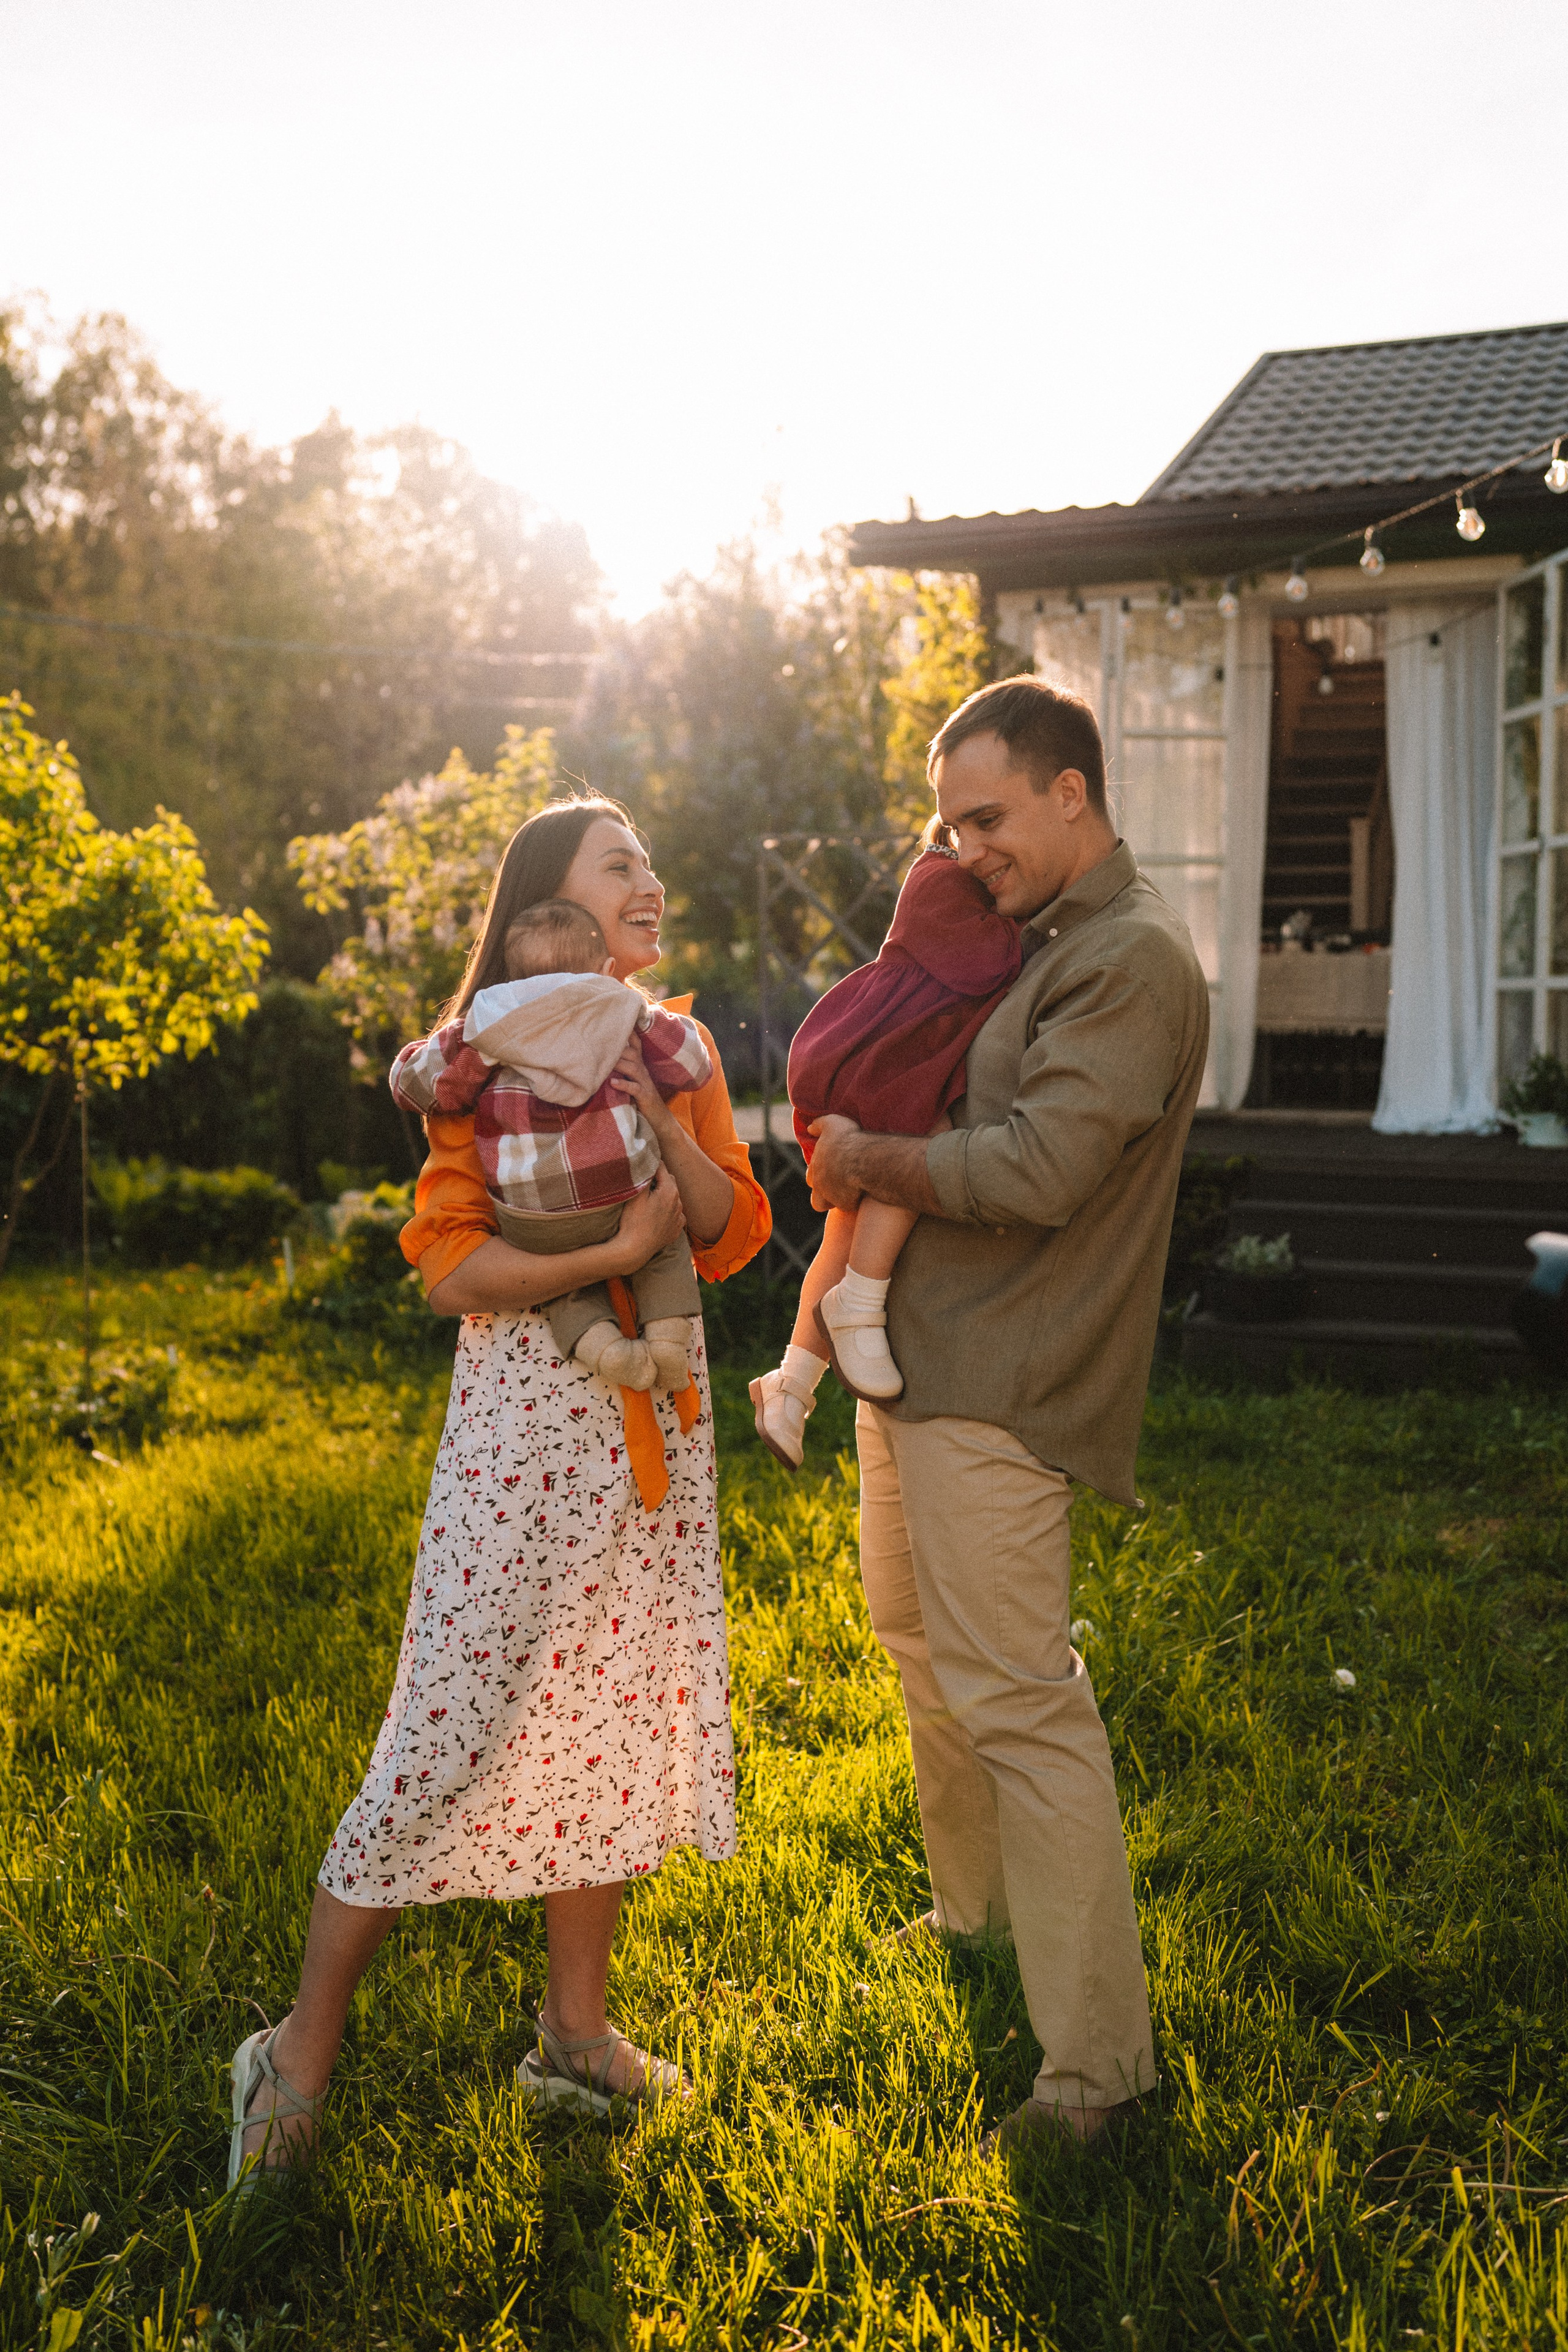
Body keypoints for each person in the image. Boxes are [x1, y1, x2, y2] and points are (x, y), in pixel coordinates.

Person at [227, 796, 770, 2185]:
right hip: (522, 1444)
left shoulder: (676, 1044)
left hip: (647, 1434)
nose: (649, 880)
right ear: (550, 903)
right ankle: (290, 2055)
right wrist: (609, 1252)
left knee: (600, 1720)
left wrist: (670, 1154)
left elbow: (731, 1235)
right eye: (617, 865)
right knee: (446, 1731)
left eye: (651, 860)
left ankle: (573, 2033)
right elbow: (450, 1266)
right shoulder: (495, 1056)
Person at [805, 677, 1208, 2155]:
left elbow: (1037, 1168)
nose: (961, 847)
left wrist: (866, 1150)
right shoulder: (1027, 944)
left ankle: (1095, 2075)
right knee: (927, 1657)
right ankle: (969, 1919)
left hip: (1010, 1375)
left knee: (1021, 1698)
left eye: (984, 817)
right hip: (919, 1359)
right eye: (945, 822)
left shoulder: (1131, 956)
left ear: (1067, 790)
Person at [748, 844, 1020, 1468]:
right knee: (915, 1148)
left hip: (881, 1051)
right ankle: (860, 1306)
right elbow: (982, 964)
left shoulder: (951, 880)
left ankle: (789, 1386)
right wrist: (1028, 933)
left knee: (846, 1226)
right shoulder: (942, 875)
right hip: (875, 1055)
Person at [390, 894, 712, 1395]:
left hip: (529, 1217)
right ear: (605, 967)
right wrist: (649, 1022)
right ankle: (670, 1347)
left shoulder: (490, 1021)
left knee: (558, 1272)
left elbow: (415, 1086)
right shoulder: (621, 1005)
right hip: (620, 1193)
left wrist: (465, 1047)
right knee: (664, 1246)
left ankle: (604, 1350)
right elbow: (695, 1066)